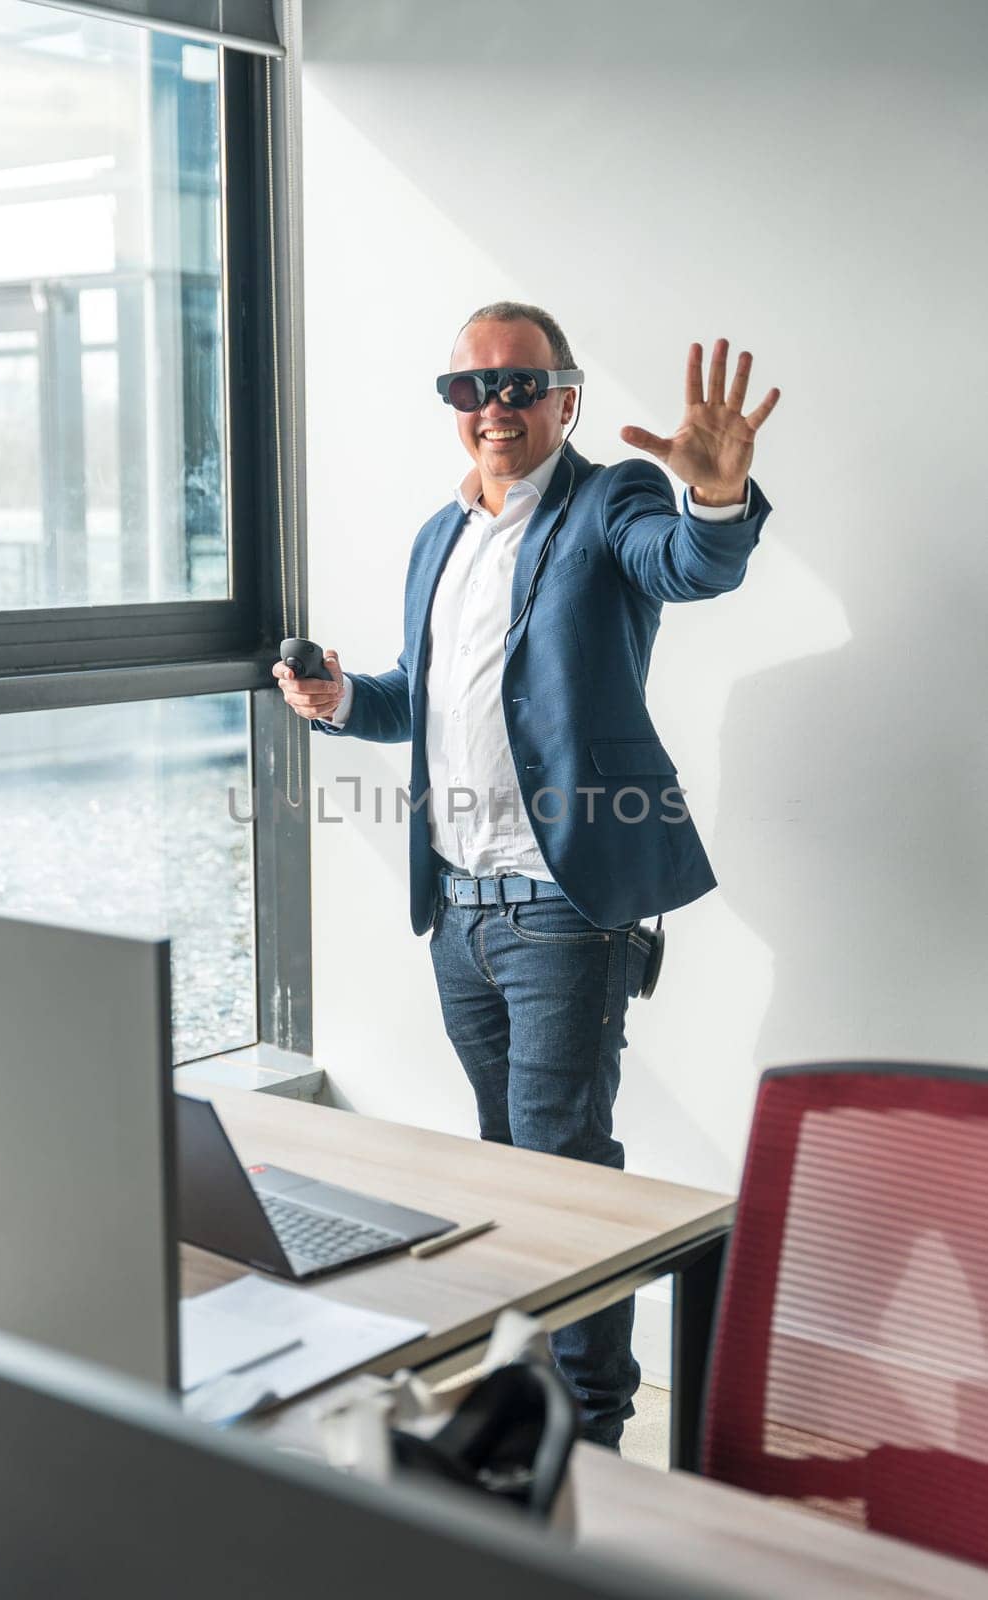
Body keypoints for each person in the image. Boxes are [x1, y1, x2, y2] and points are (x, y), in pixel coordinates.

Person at [274, 301, 779, 1449]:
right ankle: (527, 1391)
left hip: (559, 903)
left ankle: (587, 1426)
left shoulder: (612, 504)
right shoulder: (437, 536)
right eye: (468, 389)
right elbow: (423, 692)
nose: (491, 408)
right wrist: (343, 699)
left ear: (565, 398)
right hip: (457, 904)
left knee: (561, 1164)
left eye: (516, 385)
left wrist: (713, 496)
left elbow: (691, 565)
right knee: (509, 1162)